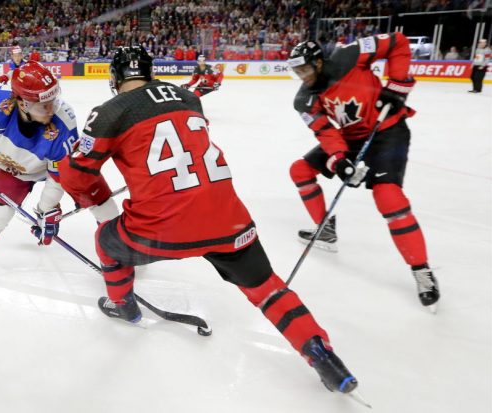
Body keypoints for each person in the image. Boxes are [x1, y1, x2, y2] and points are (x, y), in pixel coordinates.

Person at [58, 46, 360, 395]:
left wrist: (85, 189)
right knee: (267, 288)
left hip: (162, 227)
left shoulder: (108, 112)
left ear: (114, 79)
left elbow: (79, 176)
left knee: (106, 240)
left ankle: (123, 305)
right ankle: (321, 353)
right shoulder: (188, 97)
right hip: (228, 220)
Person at [287, 35, 440, 311]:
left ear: (319, 62)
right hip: (350, 138)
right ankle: (325, 230)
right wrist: (339, 160)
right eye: (296, 72)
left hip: (387, 130)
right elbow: (325, 130)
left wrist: (397, 86)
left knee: (388, 196)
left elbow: (398, 42)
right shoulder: (304, 100)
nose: (302, 77)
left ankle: (421, 269)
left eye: (305, 70)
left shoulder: (350, 55)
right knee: (300, 170)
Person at [0, 61, 118, 289]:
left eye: (53, 100)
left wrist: (46, 210)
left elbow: (59, 176)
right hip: (15, 169)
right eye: (43, 105)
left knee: (101, 202)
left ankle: (121, 252)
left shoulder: (63, 123)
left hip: (61, 169)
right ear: (22, 103)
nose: (52, 109)